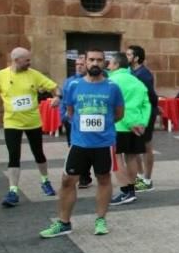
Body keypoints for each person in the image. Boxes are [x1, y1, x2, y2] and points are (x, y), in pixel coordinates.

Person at [40, 50, 124, 239]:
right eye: (92, 60)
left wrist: (103, 127)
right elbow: (69, 111)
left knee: (103, 179)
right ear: (85, 62)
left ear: (104, 63)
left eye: (100, 60)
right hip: (79, 143)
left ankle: (101, 219)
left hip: (104, 143)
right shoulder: (73, 85)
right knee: (67, 180)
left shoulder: (112, 87)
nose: (95, 63)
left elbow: (119, 114)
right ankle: (63, 222)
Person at [0, 47, 60, 207]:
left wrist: (57, 97)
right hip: (12, 123)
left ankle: (45, 180)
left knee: (38, 153)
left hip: (33, 122)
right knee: (14, 155)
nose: (29, 62)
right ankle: (13, 191)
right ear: (16, 60)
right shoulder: (0, 76)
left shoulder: (33, 74)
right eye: (26, 60)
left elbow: (54, 86)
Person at [107, 54, 150, 206]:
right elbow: (147, 104)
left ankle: (126, 191)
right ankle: (131, 190)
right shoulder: (137, 82)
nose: (108, 66)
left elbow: (115, 106)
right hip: (137, 126)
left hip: (119, 125)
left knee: (117, 159)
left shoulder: (112, 81)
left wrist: (129, 121)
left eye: (110, 63)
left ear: (117, 65)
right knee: (131, 157)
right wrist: (142, 122)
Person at [127, 45, 159, 191]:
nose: (126, 57)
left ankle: (147, 179)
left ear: (136, 58)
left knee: (146, 146)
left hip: (145, 114)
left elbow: (150, 96)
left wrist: (153, 111)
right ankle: (139, 177)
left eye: (129, 55)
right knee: (134, 147)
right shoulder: (131, 72)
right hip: (135, 113)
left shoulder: (144, 74)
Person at [61, 54, 93, 188]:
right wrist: (63, 117)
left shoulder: (93, 81)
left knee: (87, 148)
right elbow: (64, 100)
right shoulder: (69, 81)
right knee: (73, 147)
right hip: (72, 121)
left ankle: (85, 176)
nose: (79, 67)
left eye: (81, 64)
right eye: (77, 65)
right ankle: (78, 174)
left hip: (87, 119)